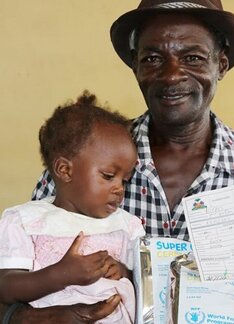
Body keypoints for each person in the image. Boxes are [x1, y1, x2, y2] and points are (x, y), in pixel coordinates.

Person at [0, 0, 234, 323]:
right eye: (153, 58)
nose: (171, 75)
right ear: (135, 65)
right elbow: (12, 286)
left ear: (221, 65)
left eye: (193, 57)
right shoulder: (82, 162)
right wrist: (28, 318)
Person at [0, 91, 145, 323]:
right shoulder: (26, 221)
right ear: (65, 170)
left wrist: (123, 271)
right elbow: (6, 287)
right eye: (108, 176)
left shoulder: (126, 226)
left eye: (124, 180)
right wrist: (59, 275)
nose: (119, 188)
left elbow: (148, 286)